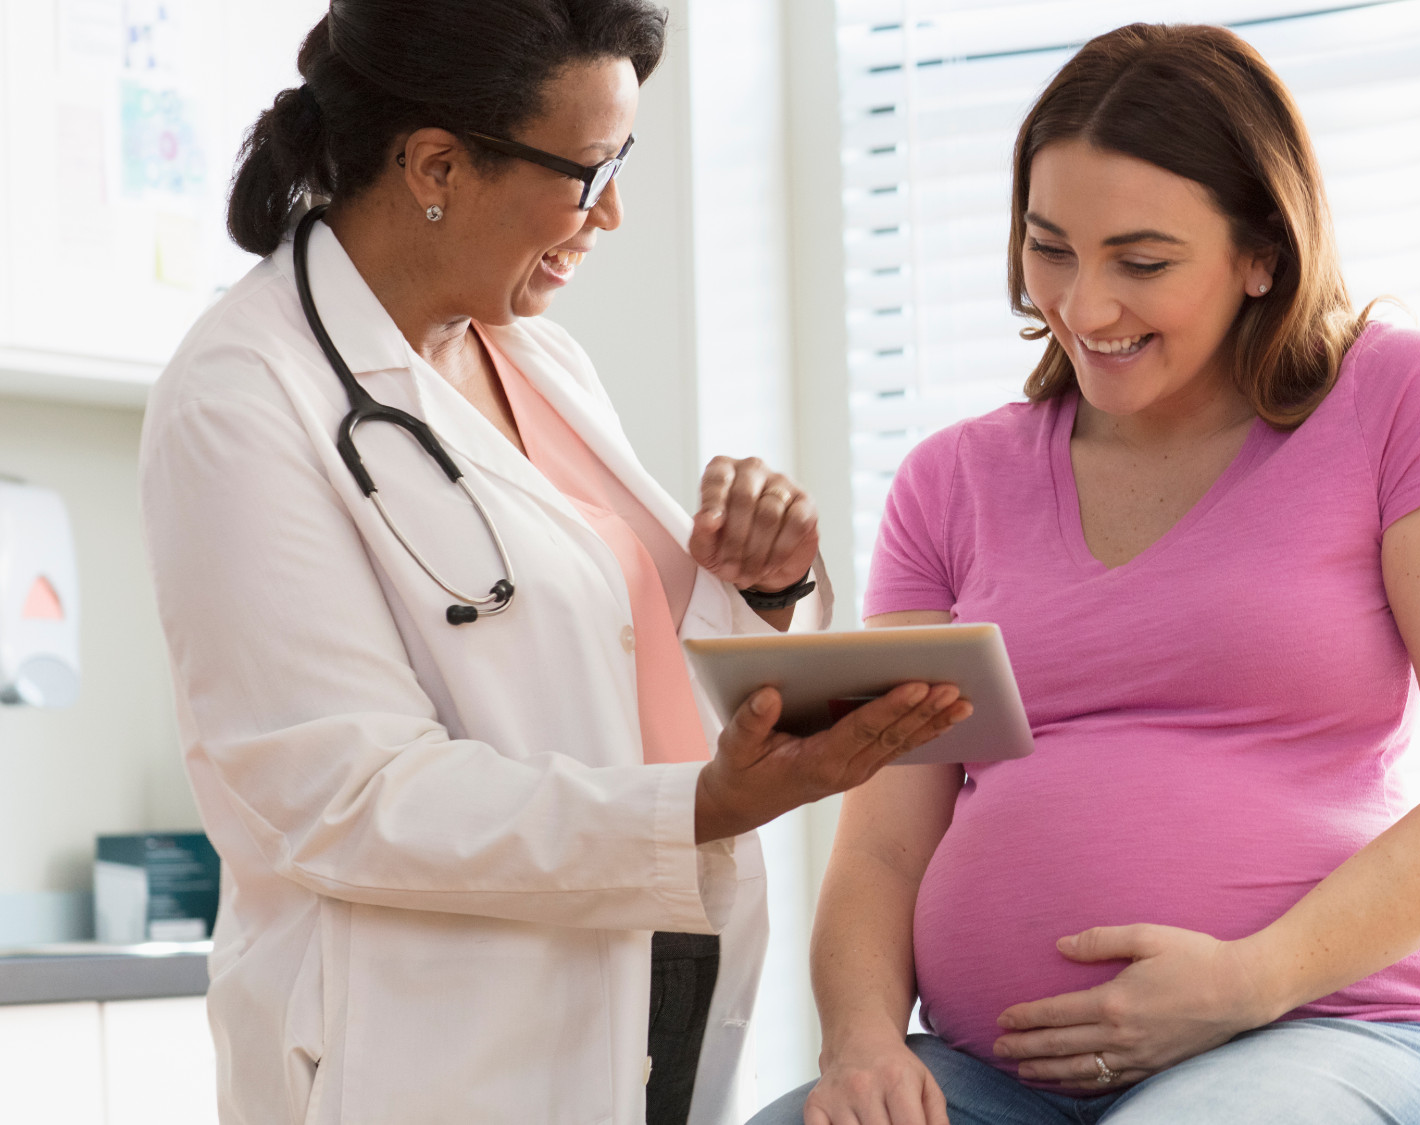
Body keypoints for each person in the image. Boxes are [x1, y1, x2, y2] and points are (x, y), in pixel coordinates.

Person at [138, 3, 970, 1124]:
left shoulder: (536, 353)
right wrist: (697, 808)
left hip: (655, 968)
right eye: (587, 171)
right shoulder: (243, 396)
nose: (612, 211)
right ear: (436, 162)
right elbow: (341, 794)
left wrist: (760, 588)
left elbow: (624, 672)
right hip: (438, 1042)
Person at [751, 22, 1420, 1125]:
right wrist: (856, 1047)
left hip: (1332, 1031)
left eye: (1141, 262)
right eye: (1050, 249)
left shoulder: (1397, 400)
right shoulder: (951, 480)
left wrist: (1245, 982)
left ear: (1260, 253)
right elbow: (886, 841)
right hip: (992, 1079)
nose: (1084, 307)